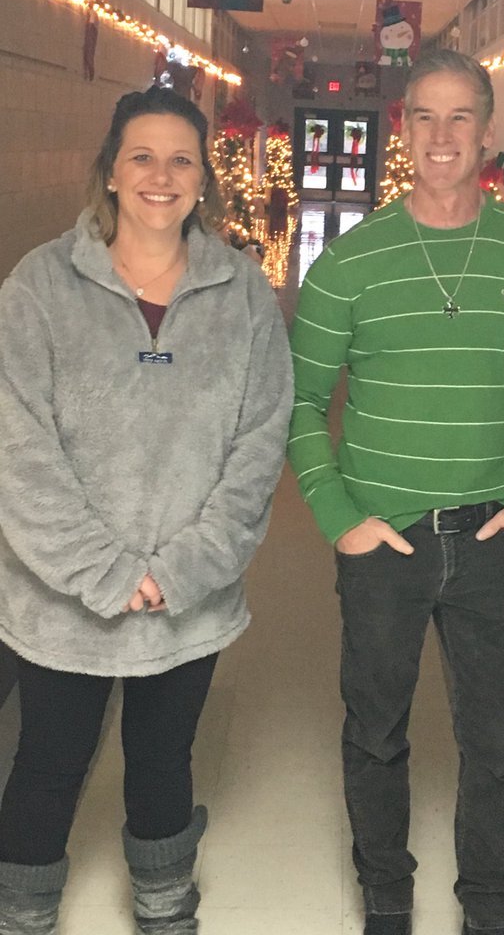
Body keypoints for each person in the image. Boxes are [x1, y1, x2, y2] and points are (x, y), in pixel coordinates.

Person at [289, 49, 504, 935]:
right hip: (383, 537)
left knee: (497, 743)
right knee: (376, 730)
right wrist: (339, 519)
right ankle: (385, 887)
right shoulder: (349, 264)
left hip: (494, 540)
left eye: (461, 117)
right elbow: (302, 403)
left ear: (491, 132)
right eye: (424, 116)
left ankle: (488, 901)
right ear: (402, 129)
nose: (442, 135)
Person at [0, 87, 292, 935]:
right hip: (60, 598)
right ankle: (22, 909)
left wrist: (178, 572)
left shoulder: (241, 294)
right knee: (49, 762)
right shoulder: (39, 288)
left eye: (181, 160)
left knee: (163, 759)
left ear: (205, 180)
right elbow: (19, 451)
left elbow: (258, 445)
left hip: (186, 596)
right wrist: (106, 572)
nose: (161, 176)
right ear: (111, 172)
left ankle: (165, 904)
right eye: (142, 156)